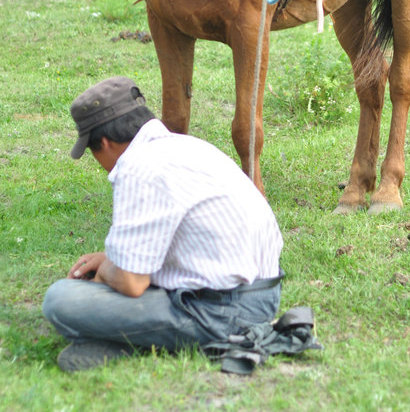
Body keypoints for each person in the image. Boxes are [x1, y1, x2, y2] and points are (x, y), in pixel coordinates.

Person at [43, 76, 284, 372]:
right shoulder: (188, 147)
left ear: (104, 143)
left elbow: (132, 283)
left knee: (61, 300)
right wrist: (112, 259)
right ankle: (129, 342)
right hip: (263, 295)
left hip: (224, 312)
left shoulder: (138, 168)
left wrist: (106, 270)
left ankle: (134, 343)